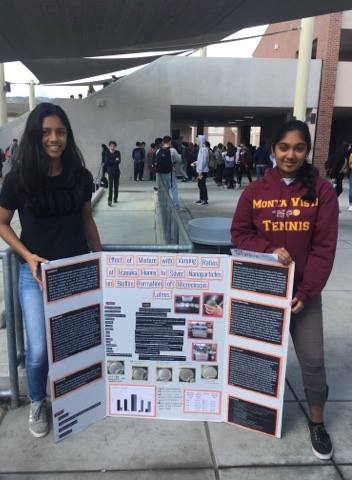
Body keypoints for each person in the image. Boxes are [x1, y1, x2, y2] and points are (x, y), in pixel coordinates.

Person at [231, 120, 338, 461]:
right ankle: (257, 413)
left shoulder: (321, 192)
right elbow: (239, 233)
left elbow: (324, 249)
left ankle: (317, 421)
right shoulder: (255, 191)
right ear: (273, 149)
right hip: (264, 290)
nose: (291, 155)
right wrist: (267, 249)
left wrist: (306, 293)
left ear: (307, 151)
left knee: (312, 359)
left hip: (303, 294)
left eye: (299, 148)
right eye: (284, 147)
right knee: (259, 356)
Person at [0, 103, 102, 438]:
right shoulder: (19, 179)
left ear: (67, 135)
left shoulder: (81, 177)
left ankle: (75, 397)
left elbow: (87, 221)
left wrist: (100, 260)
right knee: (39, 349)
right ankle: (37, 401)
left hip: (76, 273)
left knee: (75, 341)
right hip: (35, 275)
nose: (54, 138)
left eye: (60, 131)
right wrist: (27, 255)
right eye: (46, 132)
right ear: (35, 136)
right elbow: (2, 223)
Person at [155, 135, 182, 210]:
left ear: (163, 142)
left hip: (160, 173)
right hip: (170, 172)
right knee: (173, 188)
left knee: (164, 189)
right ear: (170, 142)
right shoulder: (172, 150)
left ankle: (165, 205)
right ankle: (176, 206)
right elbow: (179, 159)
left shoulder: (158, 151)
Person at [193, 135, 209, 205]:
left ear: (201, 140)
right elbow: (200, 160)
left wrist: (200, 171)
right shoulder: (201, 149)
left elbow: (203, 161)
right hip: (201, 170)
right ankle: (201, 199)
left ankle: (204, 200)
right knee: (200, 184)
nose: (196, 141)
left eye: (197, 140)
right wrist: (196, 162)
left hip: (202, 171)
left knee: (202, 185)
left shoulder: (203, 149)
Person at [104, 141, 121, 206]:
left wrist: (111, 161)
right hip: (110, 171)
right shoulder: (106, 153)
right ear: (109, 146)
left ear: (115, 146)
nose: (112, 147)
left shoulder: (118, 152)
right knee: (110, 186)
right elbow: (106, 162)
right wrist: (114, 160)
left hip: (117, 171)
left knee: (116, 186)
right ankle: (109, 200)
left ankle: (115, 198)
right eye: (111, 146)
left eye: (114, 146)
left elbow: (119, 161)